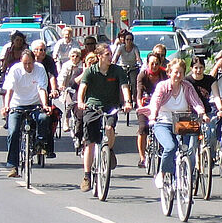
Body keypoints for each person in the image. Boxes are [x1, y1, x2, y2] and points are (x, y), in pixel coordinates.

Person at [147, 58, 208, 188]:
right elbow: (156, 102)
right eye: (176, 72)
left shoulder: (187, 86)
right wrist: (153, 115)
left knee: (188, 149)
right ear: (169, 72)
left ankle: (186, 174)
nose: (178, 75)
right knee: (170, 147)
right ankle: (162, 173)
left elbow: (195, 102)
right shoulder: (163, 86)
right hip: (164, 122)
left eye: (181, 72)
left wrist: (202, 113)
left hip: (182, 121)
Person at [76, 43, 124, 192]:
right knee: (90, 143)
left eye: (111, 54)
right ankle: (87, 176)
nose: (110, 57)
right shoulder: (91, 71)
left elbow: (124, 87)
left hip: (111, 106)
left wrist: (128, 101)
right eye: (107, 54)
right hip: (93, 107)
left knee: (109, 127)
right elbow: (82, 88)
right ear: (99, 56)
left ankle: (109, 150)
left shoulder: (117, 70)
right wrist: (80, 102)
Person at [0, 49, 52, 178]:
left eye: (30, 63)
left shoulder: (39, 69)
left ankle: (39, 144)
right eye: (25, 63)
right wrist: (6, 106)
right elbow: (10, 89)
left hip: (35, 104)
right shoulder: (15, 70)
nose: (28, 66)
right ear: (21, 62)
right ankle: (13, 165)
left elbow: (42, 88)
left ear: (34, 61)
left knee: (43, 118)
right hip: (17, 104)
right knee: (13, 132)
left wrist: (45, 105)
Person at [135, 52, 168, 167]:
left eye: (157, 64)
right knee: (143, 128)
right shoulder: (142, 75)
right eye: (152, 63)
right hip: (145, 104)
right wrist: (141, 107)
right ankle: (142, 157)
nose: (154, 66)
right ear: (148, 63)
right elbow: (139, 94)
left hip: (160, 105)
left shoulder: (164, 74)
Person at [30, 39, 60, 158]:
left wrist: (54, 90)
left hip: (45, 93)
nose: (42, 52)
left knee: (49, 118)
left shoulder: (48, 60)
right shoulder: (29, 61)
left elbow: (52, 76)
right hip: (30, 93)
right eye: (39, 50)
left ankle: (48, 148)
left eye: (43, 49)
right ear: (33, 51)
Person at [58, 47, 84, 137]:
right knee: (69, 103)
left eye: (77, 56)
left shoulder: (82, 65)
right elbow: (62, 76)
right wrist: (61, 85)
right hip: (68, 87)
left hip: (80, 87)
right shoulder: (66, 65)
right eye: (73, 56)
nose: (75, 58)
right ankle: (66, 121)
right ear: (70, 57)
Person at [112, 31, 141, 109]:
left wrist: (140, 63)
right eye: (127, 39)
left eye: (130, 40)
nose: (129, 41)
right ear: (124, 40)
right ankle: (121, 101)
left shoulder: (135, 48)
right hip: (123, 67)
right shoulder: (121, 47)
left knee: (134, 83)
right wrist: (113, 64)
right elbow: (116, 57)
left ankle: (135, 100)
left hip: (133, 68)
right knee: (121, 83)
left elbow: (138, 57)